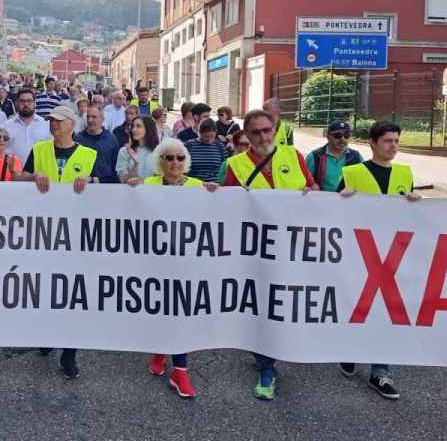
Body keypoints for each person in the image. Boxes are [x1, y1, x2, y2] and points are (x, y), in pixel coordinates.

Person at [222, 109, 316, 400]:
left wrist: (314, 194)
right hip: (257, 250)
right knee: (261, 305)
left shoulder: (294, 156)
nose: (263, 136)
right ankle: (266, 365)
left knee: (287, 301)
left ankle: (277, 349)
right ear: (246, 136)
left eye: (267, 130)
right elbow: (226, 208)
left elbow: (312, 186)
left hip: (294, 246)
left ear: (275, 129)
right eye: (256, 132)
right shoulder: (234, 164)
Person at [126, 138, 217, 398]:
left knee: (179, 313)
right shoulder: (150, 184)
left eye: (179, 158)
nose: (175, 162)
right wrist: (131, 185)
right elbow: (126, 207)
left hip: (186, 265)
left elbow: (218, 215)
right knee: (161, 311)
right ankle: (159, 352)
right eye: (169, 158)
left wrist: (217, 195)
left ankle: (180, 372)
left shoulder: (199, 187)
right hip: (155, 264)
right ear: (160, 161)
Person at [337, 121, 419, 400]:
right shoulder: (352, 172)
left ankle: (381, 372)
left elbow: (412, 215)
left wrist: (415, 201)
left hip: (392, 254)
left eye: (396, 140)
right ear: (373, 143)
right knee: (358, 306)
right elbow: (330, 210)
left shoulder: (405, 173)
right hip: (359, 253)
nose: (393, 146)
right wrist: (340, 199)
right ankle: (349, 349)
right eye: (387, 141)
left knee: (387, 311)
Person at [18, 105, 100, 378]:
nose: (53, 124)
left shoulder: (89, 154)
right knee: (44, 288)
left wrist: (91, 179)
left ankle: (69, 354)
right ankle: (46, 334)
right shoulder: (40, 150)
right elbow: (21, 179)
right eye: (51, 120)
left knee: (72, 294)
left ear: (71, 124)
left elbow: (108, 184)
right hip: (43, 232)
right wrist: (33, 176)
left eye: (59, 120)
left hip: (78, 234)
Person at [306, 120, 363, 193]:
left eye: (346, 135)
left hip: (348, 201)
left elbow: (364, 181)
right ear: (328, 136)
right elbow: (304, 181)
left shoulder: (357, 156)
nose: (342, 139)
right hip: (321, 202)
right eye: (337, 135)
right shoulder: (314, 156)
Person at [74, 104, 121, 184]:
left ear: (102, 119)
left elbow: (116, 168)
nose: (90, 120)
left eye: (94, 117)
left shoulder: (111, 139)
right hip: (81, 185)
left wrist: (95, 180)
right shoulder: (78, 139)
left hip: (105, 186)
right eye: (88, 117)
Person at [5, 88, 50, 164]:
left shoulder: (45, 124)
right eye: (22, 101)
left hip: (39, 173)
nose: (25, 104)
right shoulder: (6, 126)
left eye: (29, 101)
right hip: (13, 173)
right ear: (17, 103)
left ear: (34, 103)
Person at [116, 115, 159, 182]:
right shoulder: (124, 151)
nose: (133, 129)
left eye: (138, 126)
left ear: (148, 129)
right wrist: (136, 164)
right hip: (129, 191)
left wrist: (142, 181)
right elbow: (123, 180)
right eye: (133, 126)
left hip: (152, 191)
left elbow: (161, 179)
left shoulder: (159, 151)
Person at [185, 119, 230, 183]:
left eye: (212, 136)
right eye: (206, 136)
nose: (209, 139)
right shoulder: (190, 145)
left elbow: (225, 167)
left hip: (215, 186)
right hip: (195, 185)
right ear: (200, 133)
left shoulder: (219, 146)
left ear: (216, 132)